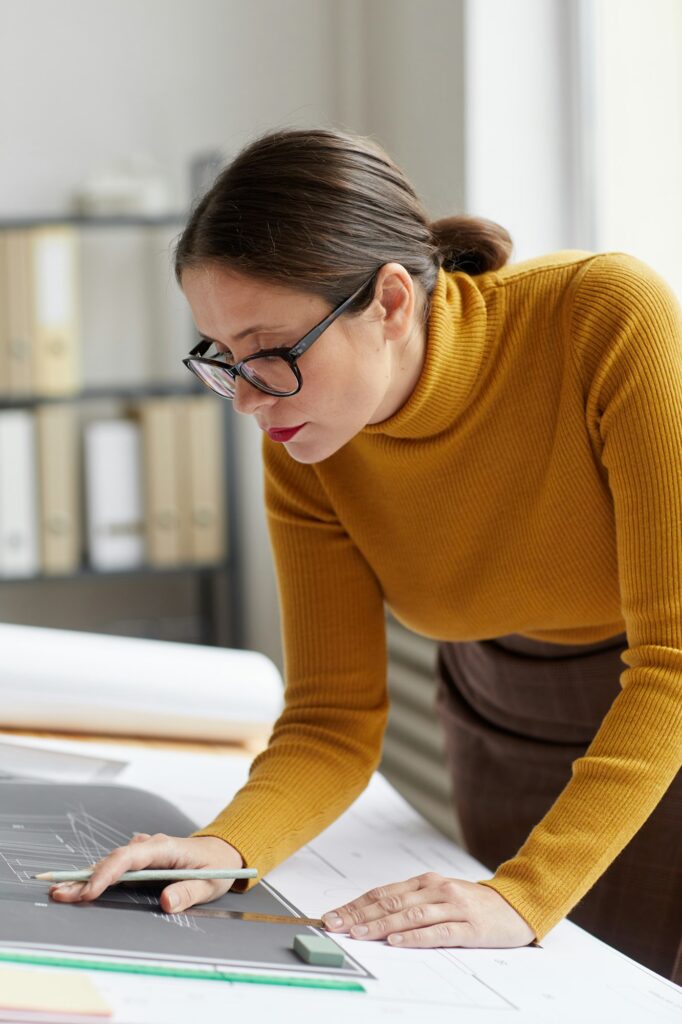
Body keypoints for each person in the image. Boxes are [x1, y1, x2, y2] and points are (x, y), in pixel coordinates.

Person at [50, 127, 682, 981]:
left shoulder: (601, 314)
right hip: (502, 710)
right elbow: (331, 718)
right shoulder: (306, 437)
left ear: (390, 302)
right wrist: (226, 845)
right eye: (223, 357)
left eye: (270, 352)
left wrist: (529, 891)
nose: (245, 398)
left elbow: (674, 658)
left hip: (660, 711)